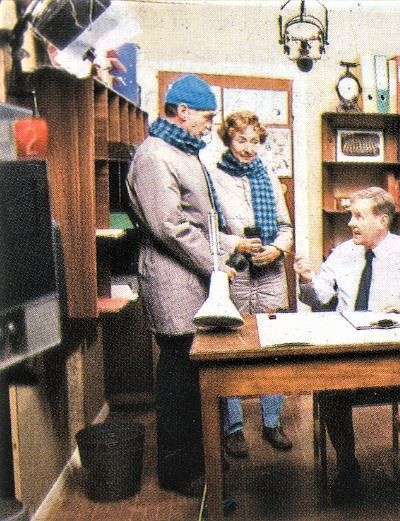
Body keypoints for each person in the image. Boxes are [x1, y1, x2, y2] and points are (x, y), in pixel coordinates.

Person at [294, 186, 400, 504]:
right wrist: (306, 280)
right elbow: (319, 297)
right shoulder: (343, 253)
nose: (350, 224)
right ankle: (347, 468)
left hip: (392, 353)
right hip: (347, 354)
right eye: (350, 216)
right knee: (330, 394)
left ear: (382, 220)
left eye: (358, 216)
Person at [126, 74, 229, 498]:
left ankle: (199, 460)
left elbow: (201, 219)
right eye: (206, 117)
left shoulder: (182, 152)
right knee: (179, 379)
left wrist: (231, 243)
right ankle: (178, 470)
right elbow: (169, 226)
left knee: (193, 375)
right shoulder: (154, 155)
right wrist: (217, 264)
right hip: (174, 280)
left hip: (191, 276)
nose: (208, 126)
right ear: (182, 112)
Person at [210, 110, 294, 458]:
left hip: (270, 274)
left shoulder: (270, 179)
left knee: (271, 347)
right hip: (234, 273)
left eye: (253, 141)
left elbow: (286, 229)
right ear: (228, 140)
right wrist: (236, 245)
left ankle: (272, 422)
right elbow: (208, 232)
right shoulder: (212, 178)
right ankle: (233, 428)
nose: (247, 147)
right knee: (233, 348)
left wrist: (276, 249)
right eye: (240, 140)